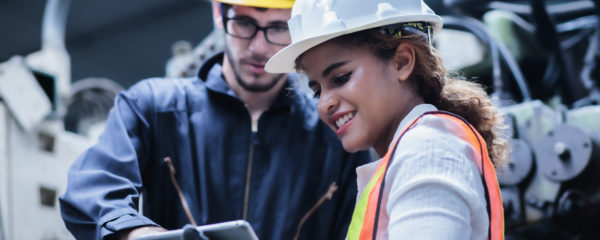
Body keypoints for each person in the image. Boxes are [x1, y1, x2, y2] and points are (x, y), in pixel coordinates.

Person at [59, 0, 370, 239]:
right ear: (219, 14)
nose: (259, 47)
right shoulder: (153, 108)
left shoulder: (332, 136)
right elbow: (91, 191)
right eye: (245, 23)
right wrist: (136, 233)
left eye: (278, 27)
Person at [265, 0, 509, 239]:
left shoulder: (427, 152)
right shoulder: (414, 152)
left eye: (341, 78)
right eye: (317, 90)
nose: (323, 103)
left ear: (402, 62)